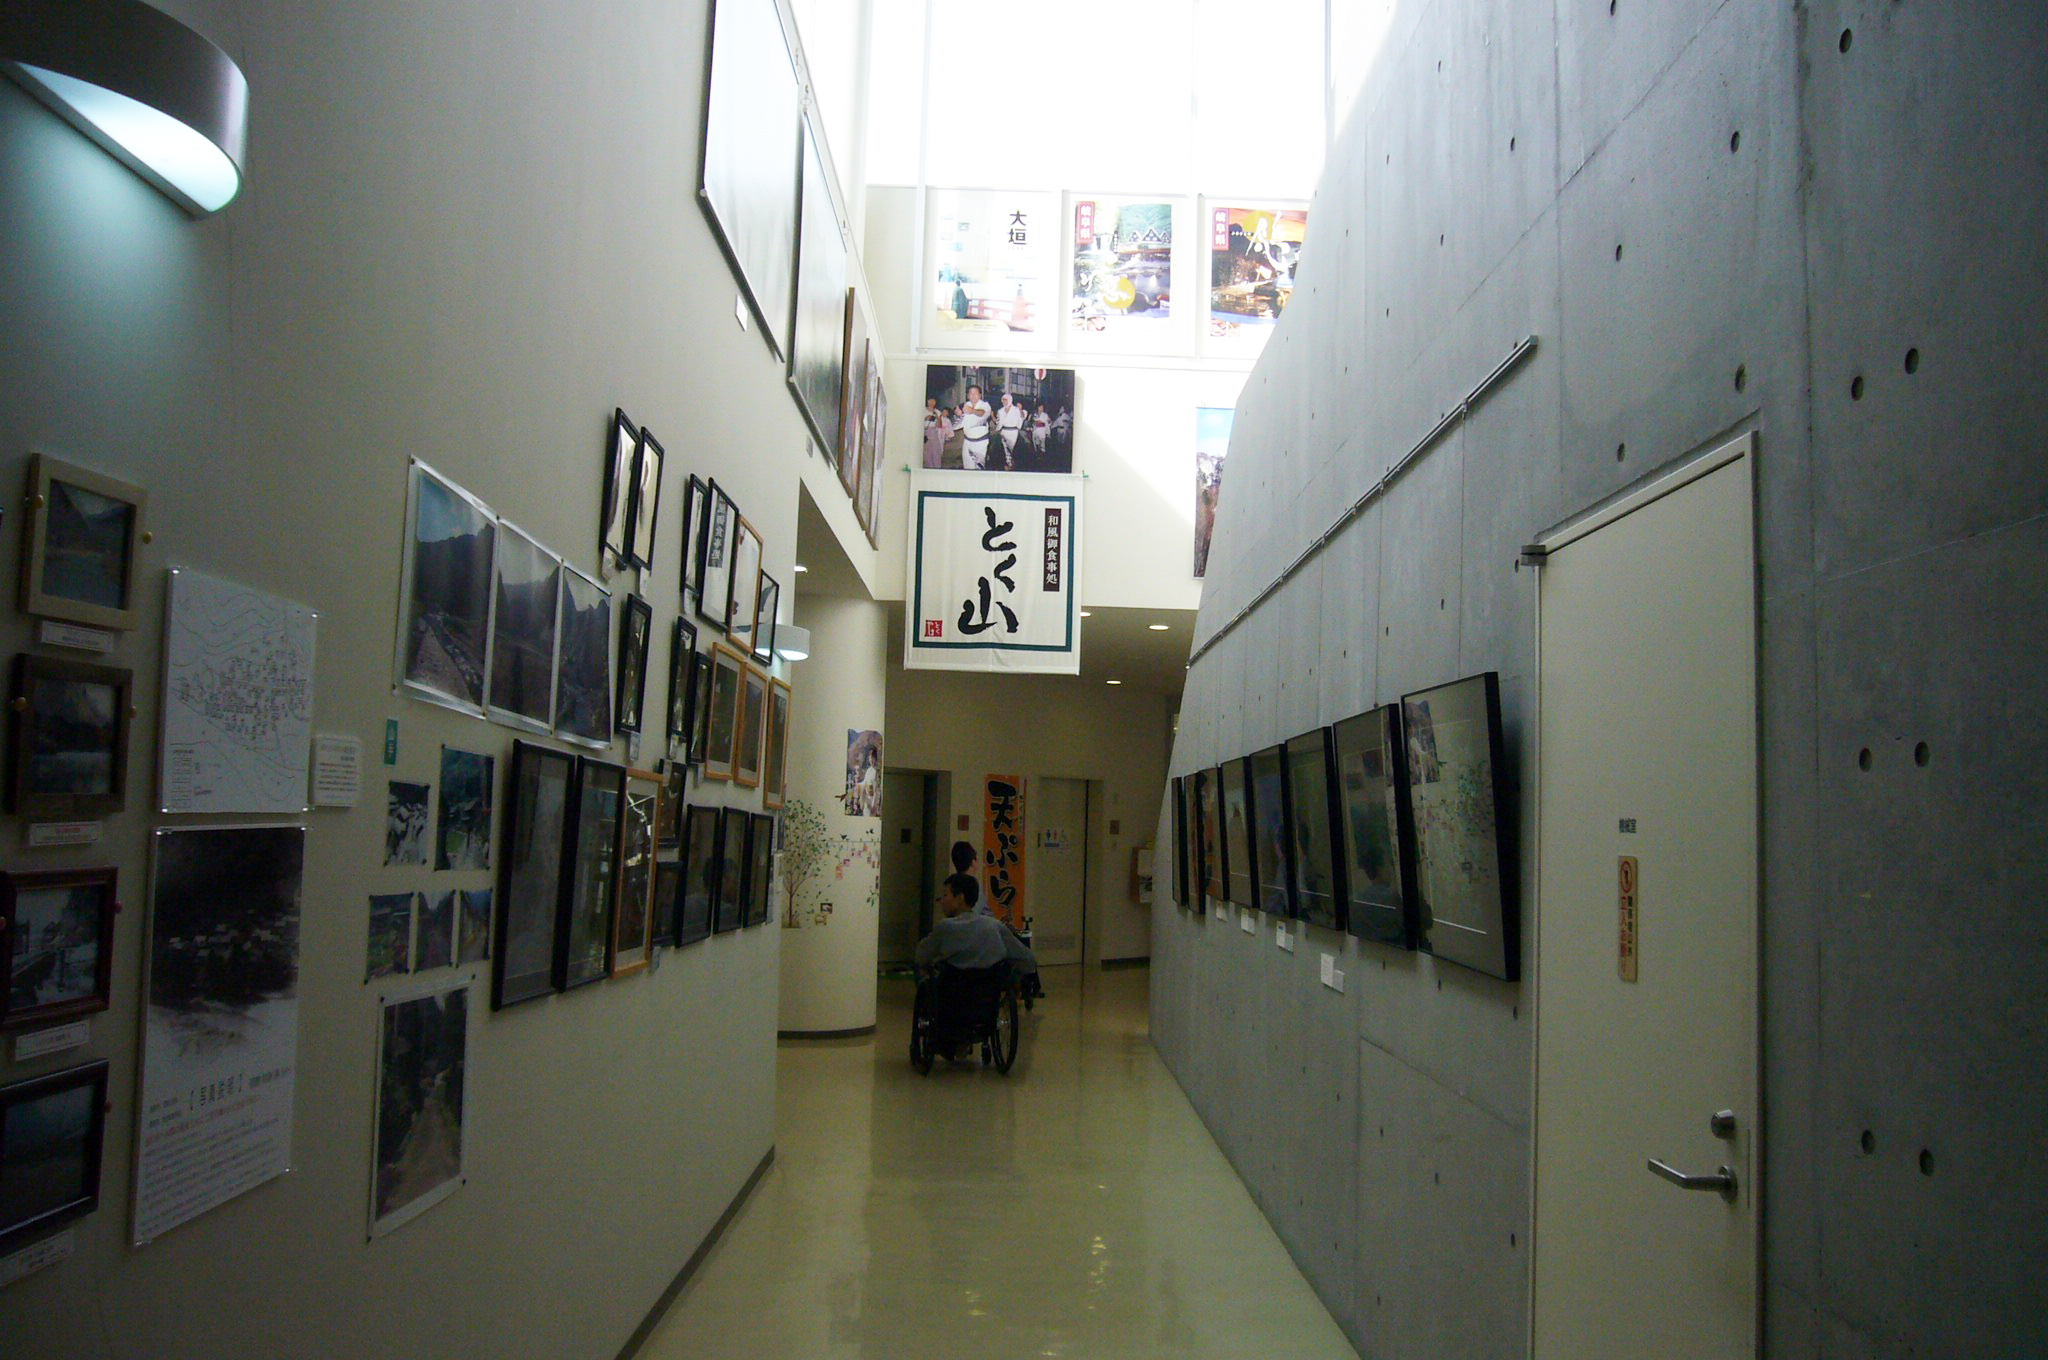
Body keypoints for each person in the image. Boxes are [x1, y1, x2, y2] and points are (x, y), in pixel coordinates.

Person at [956, 384, 993, 470]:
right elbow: (957, 425)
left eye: (975, 393)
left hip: (980, 442)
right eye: (970, 393)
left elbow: (982, 413)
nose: (973, 395)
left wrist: (973, 411)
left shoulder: (985, 405)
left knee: (978, 467)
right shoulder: (965, 406)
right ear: (968, 396)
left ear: (980, 395)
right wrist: (958, 415)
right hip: (967, 442)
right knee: (967, 467)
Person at [995, 392, 1026, 470]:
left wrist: (1020, 411)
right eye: (1003, 400)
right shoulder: (1000, 411)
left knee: (1011, 448)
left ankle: (1012, 463)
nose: (1004, 402)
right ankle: (1009, 463)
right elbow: (999, 422)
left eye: (1005, 400)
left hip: (1013, 431)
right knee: (1005, 448)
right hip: (1004, 431)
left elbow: (1022, 417)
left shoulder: (1016, 410)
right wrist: (998, 429)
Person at [922, 397, 949, 469]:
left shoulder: (937, 412)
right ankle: (929, 467)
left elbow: (939, 425)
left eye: (934, 401)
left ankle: (937, 467)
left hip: (934, 432)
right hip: (925, 431)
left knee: (936, 450)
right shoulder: (923, 410)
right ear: (927, 401)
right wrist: (925, 418)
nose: (932, 403)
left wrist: (937, 417)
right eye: (930, 401)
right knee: (927, 451)